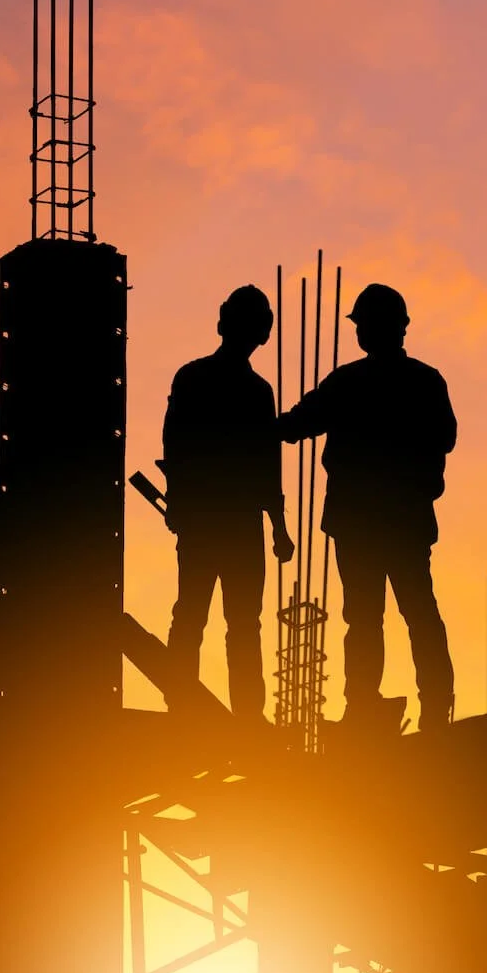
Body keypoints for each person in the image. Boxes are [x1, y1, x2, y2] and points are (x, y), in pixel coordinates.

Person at [278, 283, 457, 732]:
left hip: (360, 520)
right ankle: (435, 704)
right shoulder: (425, 381)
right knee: (417, 610)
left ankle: (362, 704)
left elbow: (296, 425)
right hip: (403, 518)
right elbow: (446, 437)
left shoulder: (350, 382)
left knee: (364, 617)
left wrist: (251, 426)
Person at [162, 285, 294, 720]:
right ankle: (245, 719)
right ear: (262, 334)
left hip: (208, 520)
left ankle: (185, 707)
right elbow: (265, 465)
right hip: (235, 524)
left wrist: (179, 504)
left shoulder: (193, 378)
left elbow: (176, 446)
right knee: (239, 625)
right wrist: (278, 527)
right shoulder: (256, 391)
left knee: (195, 616)